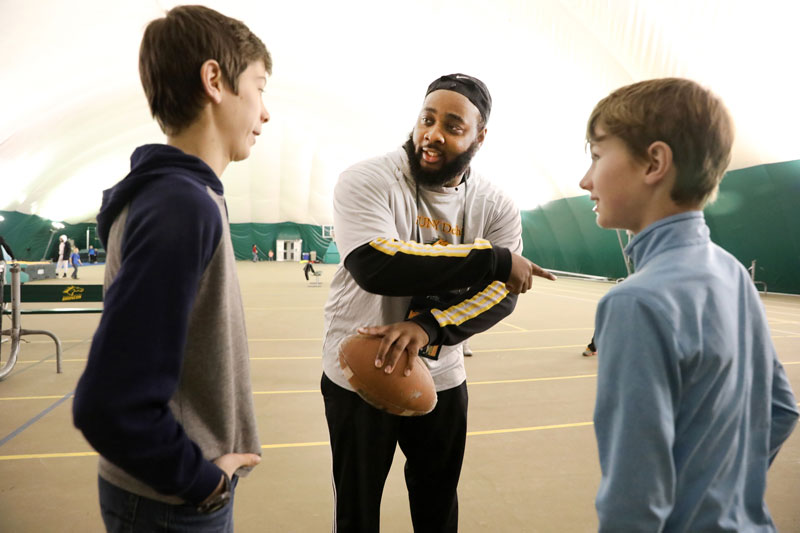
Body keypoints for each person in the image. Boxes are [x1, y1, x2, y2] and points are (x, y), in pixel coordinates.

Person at [321, 73, 555, 532]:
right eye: (427, 119)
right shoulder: (368, 179)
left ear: (479, 136)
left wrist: (430, 327)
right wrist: (493, 259)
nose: (432, 134)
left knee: (437, 504)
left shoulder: (496, 204)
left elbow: (501, 294)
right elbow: (375, 263)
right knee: (356, 509)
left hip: (442, 377)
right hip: (359, 370)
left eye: (453, 125)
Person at [72, 6, 271, 532]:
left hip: (159, 494)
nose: (265, 112)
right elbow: (109, 404)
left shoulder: (176, 194)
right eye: (259, 86)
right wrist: (202, 483)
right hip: (171, 503)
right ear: (214, 81)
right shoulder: (181, 204)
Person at [580, 77, 799, 532]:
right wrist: (724, 496)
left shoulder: (635, 302)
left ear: (654, 163)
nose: (585, 180)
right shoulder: (733, 272)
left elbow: (634, 500)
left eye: (597, 156)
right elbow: (782, 409)